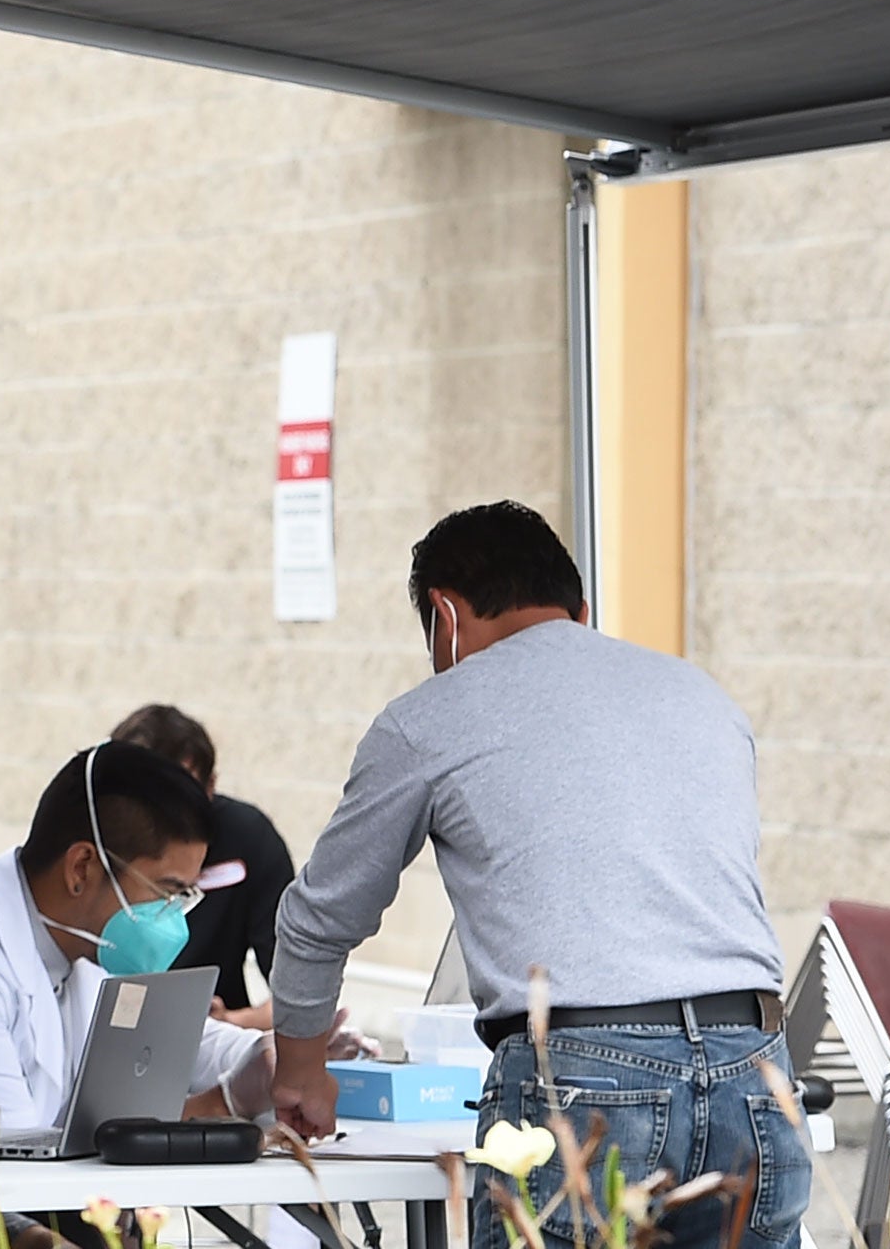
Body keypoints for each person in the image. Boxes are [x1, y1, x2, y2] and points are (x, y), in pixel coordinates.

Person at [268, 502, 804, 1249]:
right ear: (579, 610)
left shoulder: (431, 717)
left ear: (443, 617)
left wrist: (301, 1073)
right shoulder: (704, 698)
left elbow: (319, 917)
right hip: (758, 1070)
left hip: (584, 1077)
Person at [0, 742, 269, 1145]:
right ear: (82, 867)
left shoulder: (88, 937)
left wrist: (275, 1057)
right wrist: (220, 1106)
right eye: (167, 891)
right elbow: (10, 1160)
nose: (174, 916)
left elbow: (181, 1044)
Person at [111, 704, 297, 1028]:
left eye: (180, 797)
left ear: (210, 787)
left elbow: (297, 993)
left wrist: (228, 1021)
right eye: (147, 798)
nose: (163, 818)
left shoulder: (249, 840)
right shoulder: (98, 841)